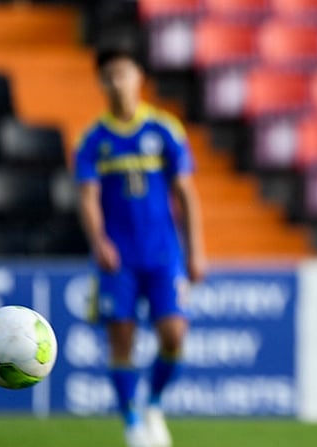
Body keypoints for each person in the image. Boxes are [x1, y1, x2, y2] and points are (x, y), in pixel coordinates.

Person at [74, 47, 206, 447]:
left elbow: (186, 193)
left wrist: (196, 249)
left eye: (124, 73)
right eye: (110, 75)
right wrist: (99, 241)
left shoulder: (164, 130)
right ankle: (131, 421)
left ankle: (154, 403)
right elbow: (87, 196)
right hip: (120, 257)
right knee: (122, 339)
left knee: (174, 334)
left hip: (164, 253)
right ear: (100, 82)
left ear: (139, 77)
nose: (118, 82)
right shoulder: (93, 139)